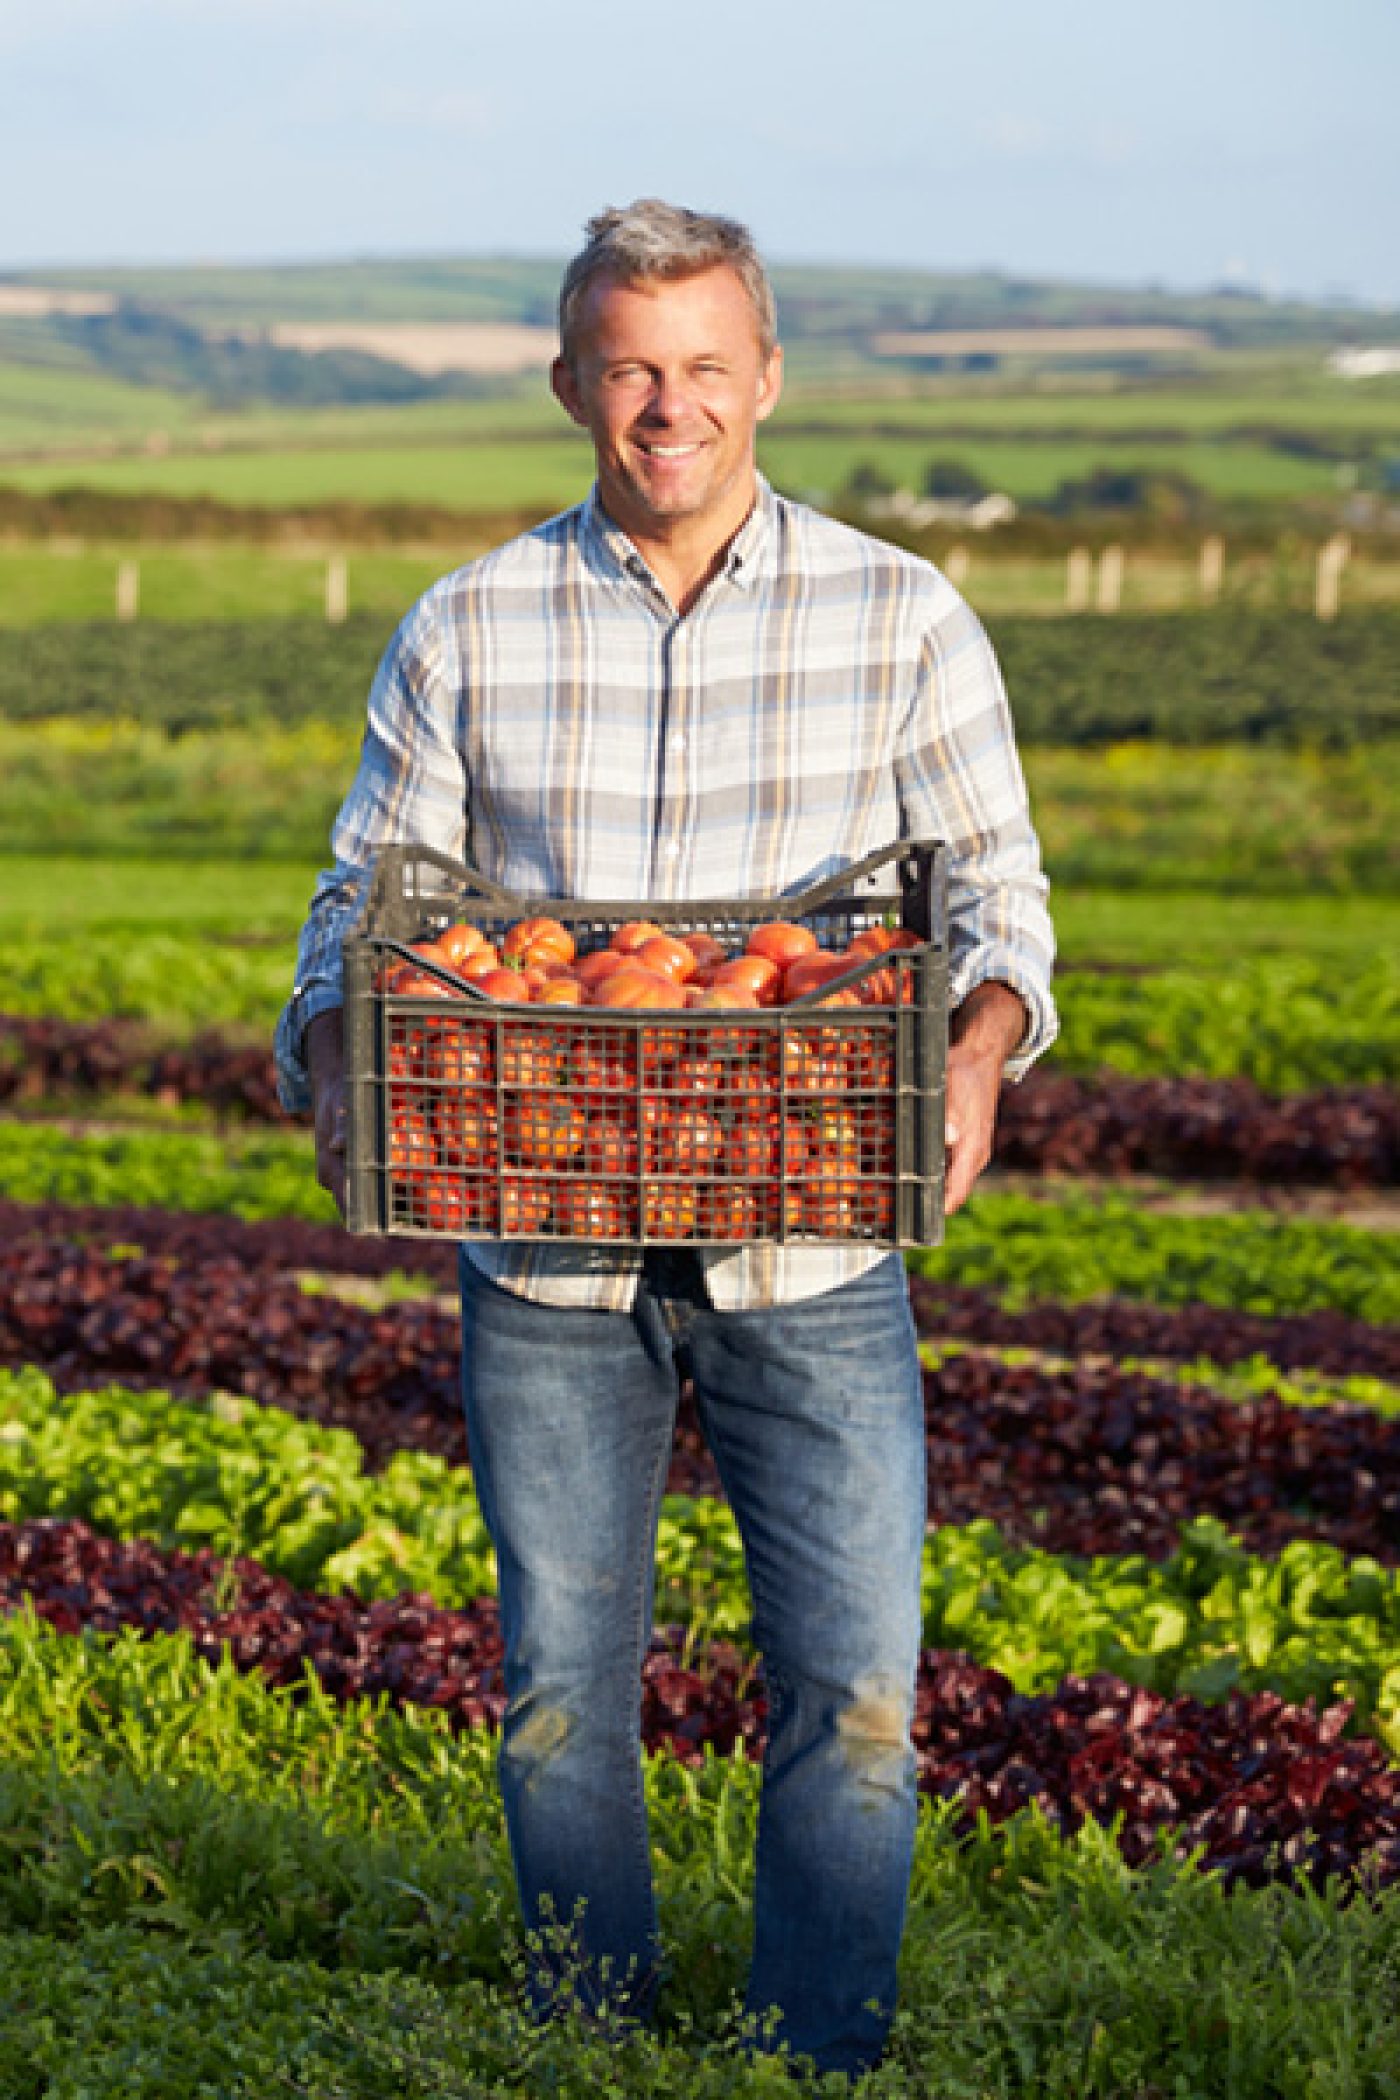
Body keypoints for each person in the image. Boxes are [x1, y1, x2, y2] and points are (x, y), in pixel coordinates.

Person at [275, 198, 1056, 2081]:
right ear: (569, 383)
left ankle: (822, 2052)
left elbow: (1004, 904)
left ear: (767, 377)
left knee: (859, 1696)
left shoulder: (901, 611)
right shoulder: (466, 625)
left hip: (815, 1240)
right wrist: (329, 1046)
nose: (670, 404)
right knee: (556, 1698)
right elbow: (364, 901)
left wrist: (976, 1044)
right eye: (631, 365)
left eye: (706, 364)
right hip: (543, 1241)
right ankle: (588, 2039)